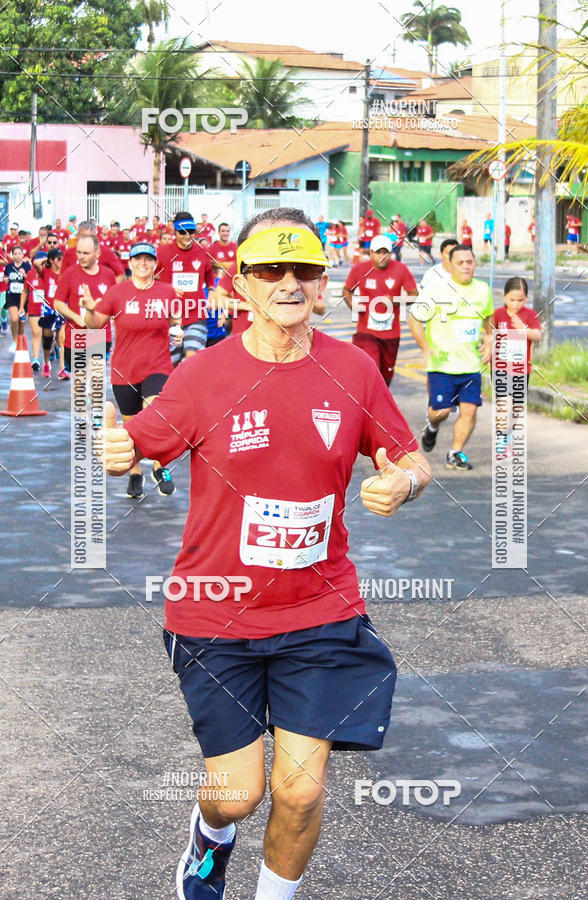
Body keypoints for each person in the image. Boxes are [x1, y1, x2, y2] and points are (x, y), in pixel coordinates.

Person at [100, 206, 432, 900]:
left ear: (322, 282)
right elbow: (136, 440)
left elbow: (404, 454)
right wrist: (116, 449)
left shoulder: (353, 369)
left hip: (320, 608)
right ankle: (209, 834)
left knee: (302, 791)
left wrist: (403, 480)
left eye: (303, 269)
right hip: (215, 615)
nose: (288, 282)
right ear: (241, 282)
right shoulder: (204, 378)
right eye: (269, 269)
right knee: (238, 793)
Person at [84, 242, 181, 498]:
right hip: (124, 369)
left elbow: (174, 320)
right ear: (130, 263)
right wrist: (88, 307)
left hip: (158, 366)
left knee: (156, 416)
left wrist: (177, 330)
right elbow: (94, 324)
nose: (143, 264)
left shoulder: (167, 291)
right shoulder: (118, 293)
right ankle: (135, 473)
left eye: (148, 259)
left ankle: (160, 467)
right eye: (138, 259)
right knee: (132, 426)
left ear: (154, 264)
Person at [410, 244, 493, 470]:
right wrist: (425, 347)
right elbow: (415, 318)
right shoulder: (437, 290)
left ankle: (455, 452)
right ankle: (432, 427)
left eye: (470, 262)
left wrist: (489, 339)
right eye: (460, 263)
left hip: (470, 365)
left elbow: (488, 318)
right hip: (442, 365)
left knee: (470, 409)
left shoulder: (483, 290)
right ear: (451, 266)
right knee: (441, 412)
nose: (466, 267)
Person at [343, 234, 418, 386]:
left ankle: (381, 399)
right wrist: (353, 304)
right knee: (370, 368)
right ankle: (367, 405)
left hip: (391, 333)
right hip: (366, 332)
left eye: (386, 253)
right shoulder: (359, 269)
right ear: (371, 253)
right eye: (378, 253)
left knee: (386, 374)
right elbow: (347, 290)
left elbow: (414, 294)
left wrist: (396, 302)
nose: (382, 256)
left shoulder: (401, 269)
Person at [155, 211, 215, 361]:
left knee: (191, 360)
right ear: (174, 232)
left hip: (196, 314)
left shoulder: (202, 252)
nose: (187, 236)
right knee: (171, 364)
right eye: (182, 232)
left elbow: (209, 273)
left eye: (191, 231)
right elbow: (147, 279)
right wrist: (166, 289)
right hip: (169, 316)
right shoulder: (162, 253)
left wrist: (212, 290)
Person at [53, 234, 116, 374]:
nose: (81, 257)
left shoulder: (108, 275)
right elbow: (58, 303)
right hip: (77, 335)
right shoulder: (69, 274)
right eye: (79, 252)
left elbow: (114, 305)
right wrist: (76, 317)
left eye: (86, 253)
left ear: (97, 253)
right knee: (80, 387)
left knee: (95, 386)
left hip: (100, 334)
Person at [492, 277, 541, 454]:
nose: (515, 304)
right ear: (504, 297)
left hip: (521, 369)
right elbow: (488, 334)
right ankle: (500, 439)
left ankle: (508, 436)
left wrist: (523, 329)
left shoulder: (530, 315)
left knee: (516, 408)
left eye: (520, 300)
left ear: (526, 299)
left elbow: (537, 335)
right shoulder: (497, 314)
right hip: (500, 368)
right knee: (505, 403)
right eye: (511, 300)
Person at [61, 220, 125, 282]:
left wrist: (109, 290)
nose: (87, 239)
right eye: (84, 236)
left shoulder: (106, 252)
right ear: (78, 236)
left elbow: (120, 274)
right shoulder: (69, 253)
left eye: (91, 236)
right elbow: (62, 277)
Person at [38, 247, 65, 378]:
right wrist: (47, 258)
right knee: (47, 338)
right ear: (52, 260)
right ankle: (47, 363)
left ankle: (62, 368)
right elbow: (36, 264)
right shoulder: (46, 272)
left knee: (62, 339)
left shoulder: (65, 273)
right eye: (58, 258)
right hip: (48, 309)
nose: (61, 261)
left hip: (62, 309)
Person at [19, 251, 47, 370]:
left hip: (48, 309)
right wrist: (21, 307)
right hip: (34, 308)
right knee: (37, 334)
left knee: (47, 335)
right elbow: (25, 291)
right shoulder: (30, 274)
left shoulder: (50, 274)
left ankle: (54, 349)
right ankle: (35, 359)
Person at [2, 244, 31, 352]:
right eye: (15, 254)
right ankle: (14, 341)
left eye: (19, 253)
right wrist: (5, 279)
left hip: (23, 297)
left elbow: (31, 281)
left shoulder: (27, 266)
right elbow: (6, 277)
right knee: (14, 319)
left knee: (22, 321)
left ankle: (20, 340)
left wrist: (25, 275)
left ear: (23, 254)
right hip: (11, 296)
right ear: (12, 255)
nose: (17, 256)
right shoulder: (9, 266)